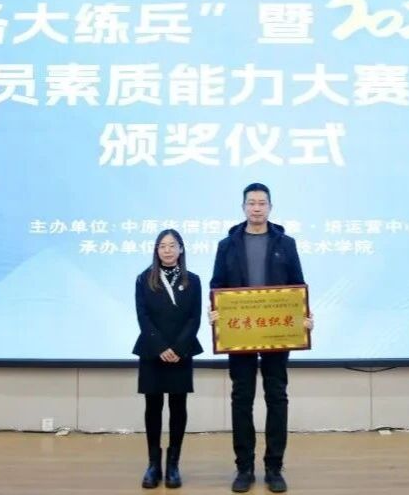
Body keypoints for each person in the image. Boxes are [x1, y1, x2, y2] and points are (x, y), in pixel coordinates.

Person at [209, 182, 314, 493]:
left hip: (276, 333)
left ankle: (274, 468)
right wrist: (214, 312)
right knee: (241, 398)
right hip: (239, 333)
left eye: (261, 203)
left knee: (276, 397)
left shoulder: (286, 243)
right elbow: (217, 285)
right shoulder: (227, 245)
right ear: (243, 207)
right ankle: (244, 468)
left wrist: (304, 317)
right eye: (251, 203)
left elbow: (298, 285)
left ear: (270, 207)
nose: (256, 208)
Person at [132, 229, 203, 489]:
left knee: (178, 407)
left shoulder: (193, 280)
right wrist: (161, 346)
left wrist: (178, 347)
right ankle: (154, 465)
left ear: (181, 249)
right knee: (153, 408)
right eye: (162, 246)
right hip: (152, 351)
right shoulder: (144, 279)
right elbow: (142, 316)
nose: (167, 250)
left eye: (173, 245)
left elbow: (195, 318)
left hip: (181, 352)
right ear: (156, 250)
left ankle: (173, 465)